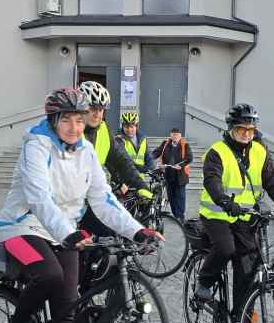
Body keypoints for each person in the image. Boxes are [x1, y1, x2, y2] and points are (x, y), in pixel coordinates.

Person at [0, 88, 161, 323]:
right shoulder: (36, 145)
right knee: (50, 275)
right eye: (66, 120)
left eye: (79, 120)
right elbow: (39, 198)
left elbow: (103, 198)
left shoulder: (85, 150)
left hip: (64, 233)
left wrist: (136, 230)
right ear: (53, 121)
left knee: (69, 311)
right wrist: (68, 233)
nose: (74, 127)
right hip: (22, 227)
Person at [195, 103, 274, 323]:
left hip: (245, 217)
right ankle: (204, 284)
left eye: (250, 129)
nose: (246, 133)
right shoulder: (217, 152)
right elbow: (212, 181)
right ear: (231, 128)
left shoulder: (260, 152)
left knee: (249, 268)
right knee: (226, 248)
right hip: (217, 214)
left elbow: (273, 181)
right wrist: (224, 201)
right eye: (241, 129)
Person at [77, 81, 151, 235]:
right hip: (70, 203)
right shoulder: (71, 131)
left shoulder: (103, 130)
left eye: (101, 109)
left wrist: (140, 185)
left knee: (111, 235)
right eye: (92, 108)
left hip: (93, 198)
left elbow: (121, 160)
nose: (97, 114)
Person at [153, 128, 193, 220]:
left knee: (180, 196)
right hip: (168, 174)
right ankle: (175, 215)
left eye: (177, 134)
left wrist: (181, 165)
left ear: (180, 136)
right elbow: (156, 152)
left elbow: (189, 158)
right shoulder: (165, 144)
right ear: (170, 135)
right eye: (173, 134)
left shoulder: (185, 145)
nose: (175, 136)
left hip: (180, 175)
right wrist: (149, 159)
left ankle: (180, 216)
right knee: (171, 197)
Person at [116, 112, 153, 176]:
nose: (129, 130)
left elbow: (149, 157)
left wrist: (152, 168)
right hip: (124, 178)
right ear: (122, 127)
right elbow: (124, 158)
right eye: (126, 127)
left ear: (136, 126)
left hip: (139, 178)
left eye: (132, 127)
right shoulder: (119, 140)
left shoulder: (142, 139)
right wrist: (141, 168)